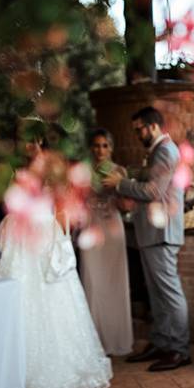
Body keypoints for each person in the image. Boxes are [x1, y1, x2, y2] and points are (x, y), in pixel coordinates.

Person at [0, 132, 112, 388]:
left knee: (53, 295)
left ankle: (57, 366)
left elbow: (62, 207)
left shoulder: (52, 169)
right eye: (22, 140)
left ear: (40, 142)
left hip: (45, 233)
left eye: (32, 140)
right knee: (19, 294)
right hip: (15, 235)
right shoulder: (7, 169)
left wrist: (62, 239)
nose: (28, 145)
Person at [102, 106, 190, 372]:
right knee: (157, 294)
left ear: (153, 126)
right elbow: (147, 180)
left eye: (139, 128)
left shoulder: (164, 150)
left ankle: (180, 349)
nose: (137, 133)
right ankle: (162, 342)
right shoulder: (157, 152)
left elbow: (153, 190)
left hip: (161, 233)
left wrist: (119, 184)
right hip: (152, 233)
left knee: (170, 294)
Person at [81, 128, 134, 356]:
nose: (100, 150)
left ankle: (117, 340)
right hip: (90, 229)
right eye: (96, 145)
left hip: (112, 229)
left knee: (115, 284)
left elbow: (127, 207)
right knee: (91, 283)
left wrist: (119, 186)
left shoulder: (119, 171)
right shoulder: (82, 173)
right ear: (90, 148)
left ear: (111, 148)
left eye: (105, 145)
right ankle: (94, 343)